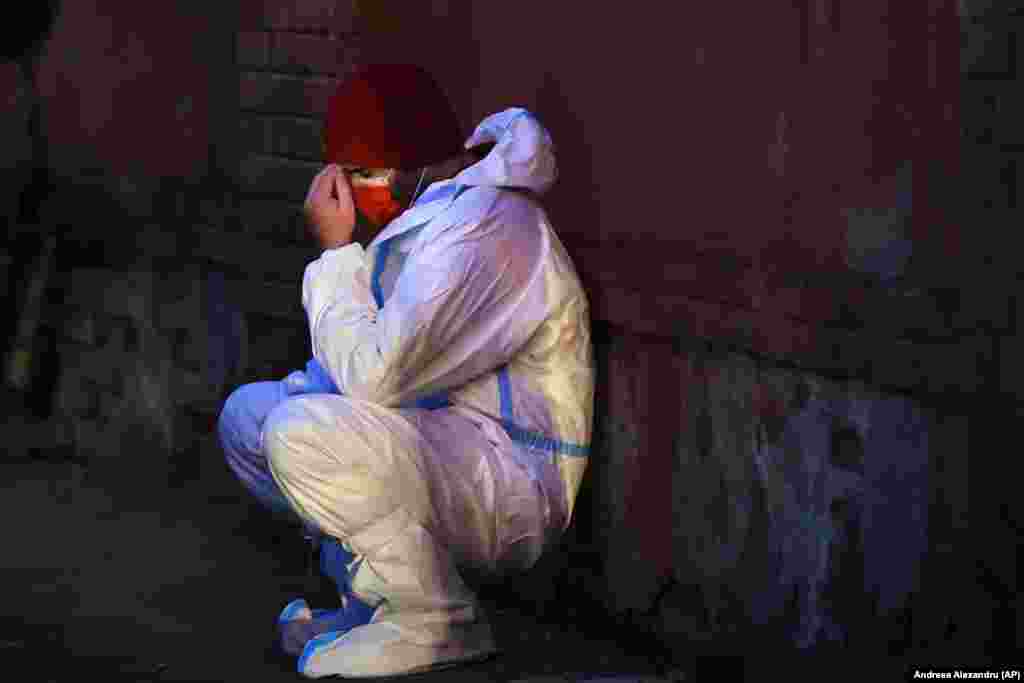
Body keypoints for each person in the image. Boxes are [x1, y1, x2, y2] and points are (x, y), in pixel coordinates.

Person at [216, 63, 594, 679]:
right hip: (441, 445)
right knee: (250, 420)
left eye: (363, 173)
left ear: (416, 161)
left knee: (299, 436)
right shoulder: (432, 216)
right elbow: (365, 369)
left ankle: (435, 620)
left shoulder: (488, 229)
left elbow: (373, 377)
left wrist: (337, 253)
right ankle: (375, 600)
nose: (355, 191)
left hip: (509, 478)